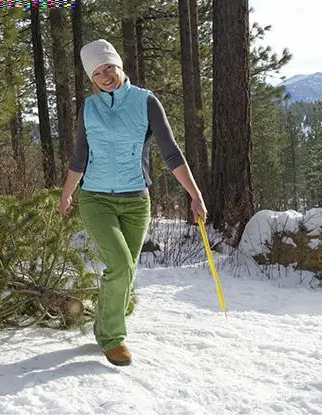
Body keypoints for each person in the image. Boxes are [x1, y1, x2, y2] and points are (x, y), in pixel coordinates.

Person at [59, 39, 207, 366]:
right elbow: (80, 156)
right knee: (121, 264)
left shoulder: (146, 102)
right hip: (96, 198)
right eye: (97, 72)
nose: (104, 76)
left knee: (126, 268)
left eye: (108, 67)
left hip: (136, 201)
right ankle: (112, 337)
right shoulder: (90, 107)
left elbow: (171, 153)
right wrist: (67, 193)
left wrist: (195, 195)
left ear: (119, 65)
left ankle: (105, 320)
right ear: (91, 77)